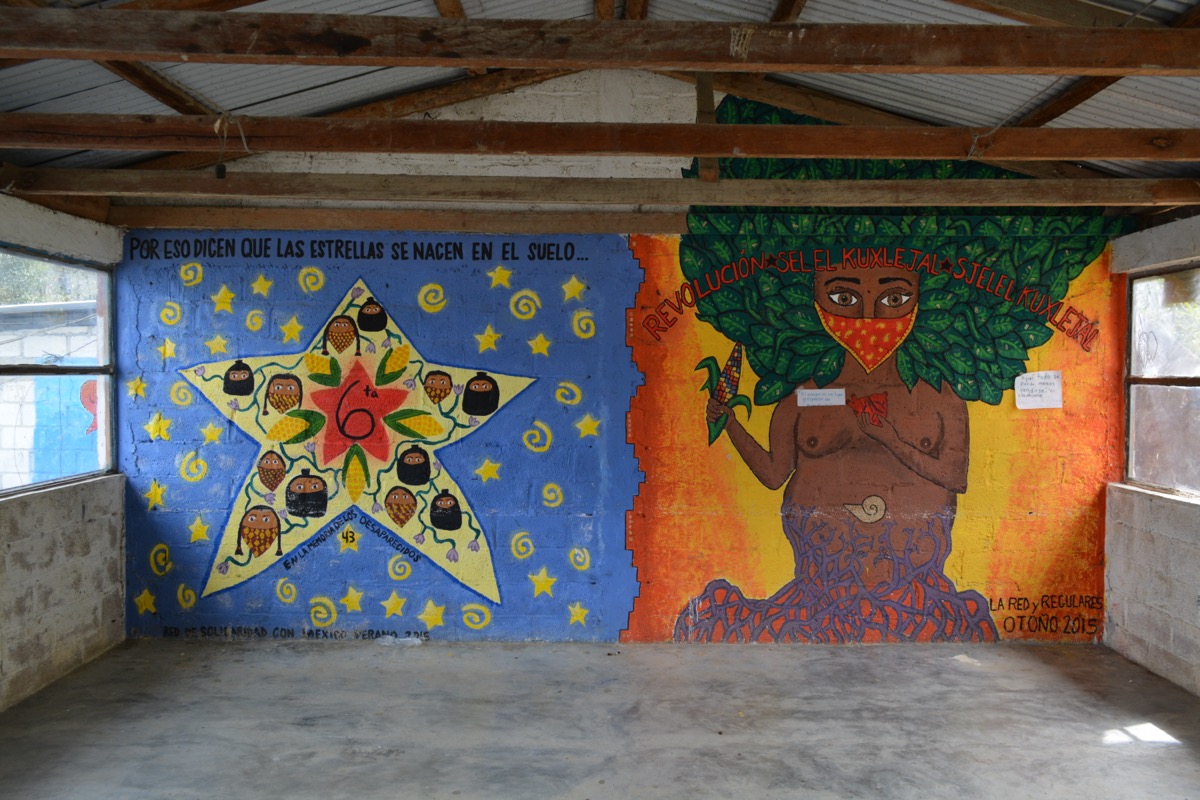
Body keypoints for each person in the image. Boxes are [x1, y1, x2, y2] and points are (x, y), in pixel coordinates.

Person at [676, 261, 997, 643]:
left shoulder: (941, 397)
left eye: (893, 298)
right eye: (844, 298)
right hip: (817, 594)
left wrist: (891, 438)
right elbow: (774, 474)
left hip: (916, 595)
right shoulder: (801, 398)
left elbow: (955, 478)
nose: (868, 315)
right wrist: (728, 422)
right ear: (812, 304)